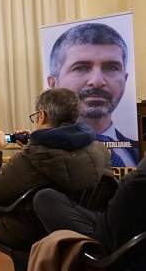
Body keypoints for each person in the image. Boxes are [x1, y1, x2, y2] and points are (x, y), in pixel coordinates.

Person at [0, 88, 111, 271]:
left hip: (27, 231)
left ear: (42, 115)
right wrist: (34, 141)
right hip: (74, 224)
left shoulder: (31, 159)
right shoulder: (99, 149)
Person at [33, 130, 146, 254]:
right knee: (45, 197)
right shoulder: (98, 147)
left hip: (118, 242)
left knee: (43, 199)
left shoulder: (144, 183)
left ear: (42, 116)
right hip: (113, 218)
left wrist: (31, 146)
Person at [47, 22, 139, 167]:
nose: (97, 81)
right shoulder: (43, 155)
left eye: (111, 67)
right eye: (81, 67)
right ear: (53, 84)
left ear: (125, 79)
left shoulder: (138, 153)